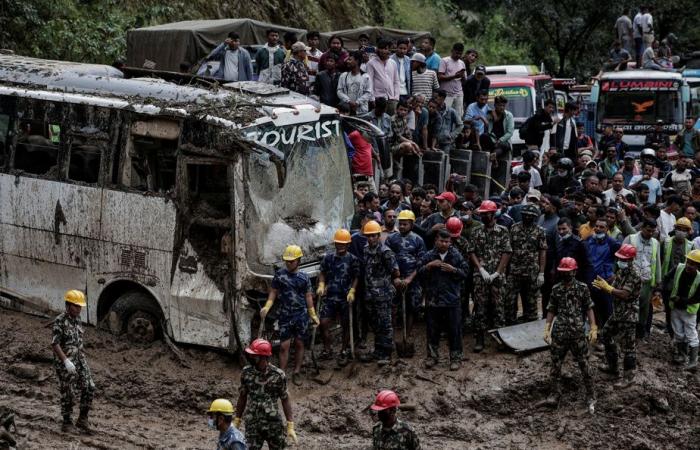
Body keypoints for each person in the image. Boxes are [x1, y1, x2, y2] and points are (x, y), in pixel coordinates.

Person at [543, 258, 597, 412]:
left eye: (569, 272)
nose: (566, 275)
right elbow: (551, 309)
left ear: (574, 271)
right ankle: (555, 394)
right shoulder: (556, 289)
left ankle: (591, 394)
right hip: (560, 333)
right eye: (563, 272)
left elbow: (589, 307)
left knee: (584, 365)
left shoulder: (582, 288)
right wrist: (547, 327)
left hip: (578, 333)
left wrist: (593, 327)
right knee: (555, 365)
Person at [259, 245, 318, 385]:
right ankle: (281, 373)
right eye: (287, 261)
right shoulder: (280, 275)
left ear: (298, 260)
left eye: (292, 261)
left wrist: (313, 314)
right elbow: (273, 292)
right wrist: (267, 306)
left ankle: (297, 371)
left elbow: (308, 296)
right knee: (284, 346)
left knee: (299, 343)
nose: (289, 263)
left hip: (301, 315)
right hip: (285, 315)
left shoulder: (304, 278)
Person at [419, 226, 469, 370]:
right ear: (436, 241)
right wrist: (429, 266)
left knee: (454, 330)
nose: (444, 244)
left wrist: (453, 270)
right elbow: (419, 272)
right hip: (433, 299)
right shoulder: (429, 255)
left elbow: (465, 273)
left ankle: (455, 358)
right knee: (433, 330)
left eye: (447, 242)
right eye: (442, 241)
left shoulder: (456, 255)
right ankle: (432, 357)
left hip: (451, 299)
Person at [593, 244, 642, 388]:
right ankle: (612, 366)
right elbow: (615, 281)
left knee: (628, 346)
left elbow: (624, 294)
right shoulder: (622, 271)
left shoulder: (634, 275)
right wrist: (604, 283)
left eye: (624, 259)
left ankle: (629, 377)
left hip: (628, 315)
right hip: (617, 313)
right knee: (606, 335)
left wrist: (607, 288)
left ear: (631, 260)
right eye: (619, 259)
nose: (620, 261)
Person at [235, 339, 297, 449]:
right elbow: (242, 396)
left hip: (273, 424)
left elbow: (285, 398)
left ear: (263, 357)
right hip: (253, 423)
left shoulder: (278, 375)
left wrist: (290, 424)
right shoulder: (246, 372)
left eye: (254, 355)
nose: (251, 357)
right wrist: (237, 419)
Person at [468, 200, 512, 351]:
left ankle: (501, 339)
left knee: (499, 307)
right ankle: (479, 339)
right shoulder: (476, 231)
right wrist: (481, 269)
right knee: (480, 307)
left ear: (493, 214)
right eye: (481, 214)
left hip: (497, 276)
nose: (483, 217)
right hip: (480, 276)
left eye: (486, 214)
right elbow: (471, 251)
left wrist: (497, 273)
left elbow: (506, 252)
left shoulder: (503, 231)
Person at [51, 289, 95, 433]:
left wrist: (80, 357)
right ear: (68, 305)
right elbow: (55, 344)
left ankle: (82, 419)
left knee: (89, 386)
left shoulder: (77, 320)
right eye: (76, 306)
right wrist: (65, 361)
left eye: (80, 306)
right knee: (68, 391)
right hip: (66, 362)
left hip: (79, 360)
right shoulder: (60, 320)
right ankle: (67, 422)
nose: (79, 309)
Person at [360, 220, 401, 366]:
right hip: (370, 293)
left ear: (378, 236)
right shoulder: (365, 250)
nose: (371, 239)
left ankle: (386, 352)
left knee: (385, 324)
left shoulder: (385, 252)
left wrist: (392, 283)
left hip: (383, 294)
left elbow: (395, 271)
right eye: (368, 236)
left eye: (373, 236)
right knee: (375, 324)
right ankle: (378, 350)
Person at [317, 229, 360, 364]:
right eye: (338, 243)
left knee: (346, 325)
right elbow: (322, 272)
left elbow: (356, 277)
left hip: (345, 297)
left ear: (348, 244)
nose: (341, 246)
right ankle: (327, 349)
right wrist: (322, 285)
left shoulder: (352, 259)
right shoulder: (328, 258)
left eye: (343, 244)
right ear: (335, 244)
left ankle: (344, 349)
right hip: (330, 297)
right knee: (323, 323)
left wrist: (353, 290)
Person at [386, 210, 426, 336]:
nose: (402, 226)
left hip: (413, 280)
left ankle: (407, 334)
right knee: (392, 307)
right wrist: (395, 278)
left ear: (412, 224)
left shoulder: (418, 240)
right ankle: (391, 335)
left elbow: (421, 262)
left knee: (412, 307)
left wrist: (409, 279)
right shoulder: (391, 239)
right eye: (400, 224)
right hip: (395, 279)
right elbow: (387, 259)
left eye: (405, 224)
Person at [507, 204, 547, 324]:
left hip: (531, 272)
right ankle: (510, 323)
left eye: (531, 216)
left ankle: (530, 324)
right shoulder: (514, 228)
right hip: (514, 270)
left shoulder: (540, 231)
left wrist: (541, 272)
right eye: (525, 215)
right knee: (510, 299)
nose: (527, 217)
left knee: (531, 301)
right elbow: (508, 250)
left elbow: (543, 252)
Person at [663, 250, 700, 370]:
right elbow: (667, 277)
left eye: (693, 264)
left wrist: (681, 300)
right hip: (675, 308)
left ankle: (693, 361)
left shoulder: (699, 278)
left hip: (689, 310)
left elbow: (697, 298)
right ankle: (682, 355)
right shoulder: (678, 268)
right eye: (688, 262)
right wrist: (661, 290)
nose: (689, 265)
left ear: (698, 266)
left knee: (691, 334)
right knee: (678, 332)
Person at [586, 219, 621, 330]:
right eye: (596, 226)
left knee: (607, 310)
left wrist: (615, 274)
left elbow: (624, 258)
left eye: (602, 227)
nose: (598, 229)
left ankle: (608, 335)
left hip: (605, 281)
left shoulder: (612, 243)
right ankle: (596, 333)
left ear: (607, 229)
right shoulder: (589, 240)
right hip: (591, 281)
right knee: (593, 308)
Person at [366, 39, 400, 115]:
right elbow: (369, 82)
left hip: (391, 99)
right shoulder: (371, 63)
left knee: (389, 122)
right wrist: (372, 99)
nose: (383, 51)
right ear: (377, 49)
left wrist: (396, 98)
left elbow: (396, 81)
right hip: (377, 99)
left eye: (385, 48)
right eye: (381, 48)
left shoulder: (393, 63)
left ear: (389, 50)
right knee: (377, 122)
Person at [337, 51, 372, 116]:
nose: (347, 61)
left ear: (357, 61)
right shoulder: (343, 76)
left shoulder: (366, 77)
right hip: (346, 111)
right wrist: (349, 101)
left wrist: (357, 103)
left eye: (350, 59)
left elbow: (368, 93)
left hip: (361, 112)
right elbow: (339, 91)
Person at [437, 43, 467, 119]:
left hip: (459, 93)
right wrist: (454, 76)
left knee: (458, 116)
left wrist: (462, 76)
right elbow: (440, 76)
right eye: (456, 53)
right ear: (452, 51)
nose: (458, 55)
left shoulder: (462, 63)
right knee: (444, 115)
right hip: (446, 94)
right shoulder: (444, 61)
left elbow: (464, 81)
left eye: (460, 54)